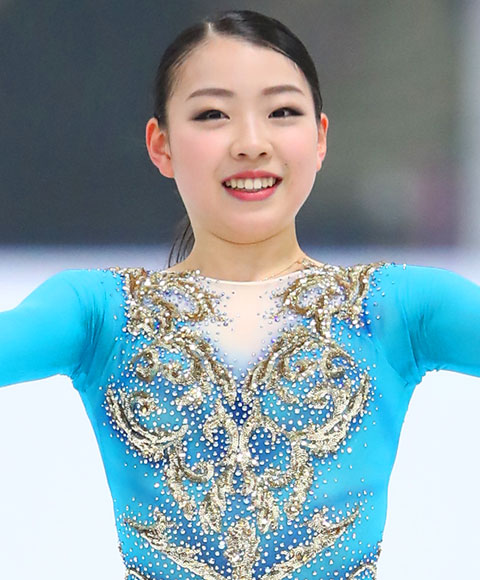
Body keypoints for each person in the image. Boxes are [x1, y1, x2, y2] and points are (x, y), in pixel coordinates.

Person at [1, 8, 479, 580]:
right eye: (212, 114)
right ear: (161, 145)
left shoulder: (394, 309)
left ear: (320, 138)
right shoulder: (102, 313)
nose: (252, 143)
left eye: (282, 112)